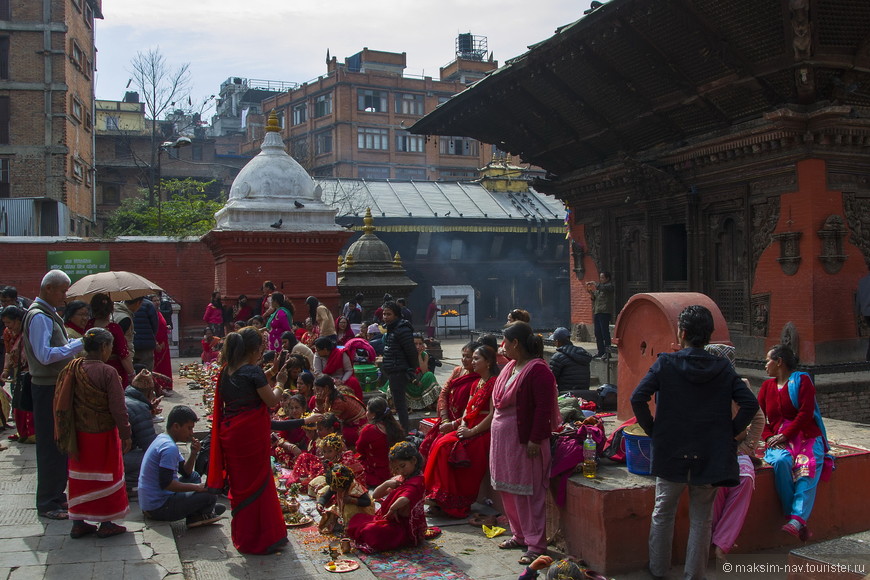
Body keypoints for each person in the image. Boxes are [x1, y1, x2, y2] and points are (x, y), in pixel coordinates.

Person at [630, 305, 759, 580]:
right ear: (708, 336)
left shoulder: (665, 363)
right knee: (702, 518)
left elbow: (637, 398)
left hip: (671, 452)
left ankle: (658, 570)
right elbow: (750, 403)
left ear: (683, 332)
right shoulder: (722, 368)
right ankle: (694, 575)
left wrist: (655, 431)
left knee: (663, 512)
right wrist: (729, 433)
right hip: (709, 454)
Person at [207, 327, 288, 554]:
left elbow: (248, 388)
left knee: (242, 486)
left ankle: (245, 536)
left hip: (232, 435)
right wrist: (280, 382)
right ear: (254, 349)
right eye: (261, 348)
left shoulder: (227, 370)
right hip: (251, 436)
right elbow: (271, 400)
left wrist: (270, 372)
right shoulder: (253, 372)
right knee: (260, 484)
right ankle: (264, 537)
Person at [490, 321, 559, 566]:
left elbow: (543, 409)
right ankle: (518, 535)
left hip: (524, 442)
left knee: (528, 493)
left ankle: (535, 544)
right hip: (504, 443)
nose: (502, 346)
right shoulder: (509, 367)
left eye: (505, 341)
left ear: (516, 343)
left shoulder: (538, 370)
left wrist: (535, 439)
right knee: (508, 490)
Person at [54, 327, 131, 539]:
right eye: (110, 347)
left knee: (80, 475)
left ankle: (78, 522)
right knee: (105, 475)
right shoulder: (107, 372)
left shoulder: (73, 367)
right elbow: (118, 407)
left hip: (78, 434)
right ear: (104, 347)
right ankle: (106, 522)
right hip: (103, 433)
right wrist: (126, 432)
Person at [22, 270, 84, 519]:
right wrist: (76, 344)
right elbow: (44, 355)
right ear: (48, 289)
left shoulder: (49, 315)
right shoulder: (39, 317)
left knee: (60, 442)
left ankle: (57, 496)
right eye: (62, 290)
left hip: (54, 385)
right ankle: (48, 501)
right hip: (47, 387)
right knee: (50, 444)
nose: (64, 296)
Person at [758, 344, 832, 541]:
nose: (765, 365)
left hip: (805, 434)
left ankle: (796, 520)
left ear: (779, 362)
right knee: (781, 462)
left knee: (807, 467)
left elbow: (806, 414)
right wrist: (769, 438)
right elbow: (760, 419)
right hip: (778, 439)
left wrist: (785, 435)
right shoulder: (766, 388)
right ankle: (797, 519)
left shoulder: (802, 381)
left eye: (768, 360)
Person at [706, 343, 765, 561]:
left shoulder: (741, 386)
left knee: (745, 477)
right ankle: (717, 536)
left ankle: (723, 540)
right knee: (717, 484)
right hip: (709, 450)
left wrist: (747, 446)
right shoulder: (700, 386)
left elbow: (758, 418)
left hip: (736, 449)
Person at [425, 344, 498, 518]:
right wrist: (463, 424)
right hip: (469, 425)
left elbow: (492, 415)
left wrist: (471, 432)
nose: (472, 362)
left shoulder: (494, 383)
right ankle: (439, 498)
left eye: (475, 358)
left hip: (482, 430)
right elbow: (468, 408)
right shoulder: (477, 382)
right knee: (439, 443)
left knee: (446, 447)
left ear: (487, 362)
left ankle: (455, 502)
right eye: (471, 358)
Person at [139, 405, 225, 527]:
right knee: (210, 494)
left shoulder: (164, 439)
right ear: (176, 426)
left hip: (155, 502)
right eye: (189, 428)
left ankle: (201, 510)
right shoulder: (169, 448)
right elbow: (167, 484)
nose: (191, 433)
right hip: (158, 507)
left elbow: (186, 473)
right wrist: (196, 488)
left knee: (194, 476)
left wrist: (194, 453)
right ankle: (201, 514)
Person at [347, 441, 427, 554]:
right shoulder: (401, 477)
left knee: (370, 531)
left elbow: (405, 498)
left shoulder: (418, 480)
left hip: (404, 527)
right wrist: (387, 484)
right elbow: (375, 495)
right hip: (389, 520)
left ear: (414, 461)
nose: (400, 471)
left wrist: (392, 509)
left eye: (403, 466)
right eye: (397, 468)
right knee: (357, 519)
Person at [419, 341, 480, 458]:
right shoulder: (458, 371)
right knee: (425, 446)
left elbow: (474, 410)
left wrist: (453, 424)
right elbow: (443, 393)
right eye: (463, 356)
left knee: (441, 448)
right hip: (446, 419)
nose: (464, 360)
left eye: (469, 357)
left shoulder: (480, 379)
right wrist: (445, 418)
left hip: (464, 424)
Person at [380, 301, 418, 432]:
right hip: (392, 369)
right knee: (398, 403)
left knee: (400, 404)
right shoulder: (392, 328)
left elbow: (411, 351)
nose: (385, 317)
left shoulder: (402, 329)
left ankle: (404, 430)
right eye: (384, 314)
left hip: (399, 370)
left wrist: (412, 368)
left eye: (388, 314)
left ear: (396, 315)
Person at [1, 306, 35, 443]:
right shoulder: (8, 333)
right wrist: (5, 370)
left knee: (29, 402)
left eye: (10, 322)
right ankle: (22, 431)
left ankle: (32, 432)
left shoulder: (29, 331)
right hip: (18, 371)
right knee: (19, 401)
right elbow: (9, 352)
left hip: (31, 371)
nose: (8, 326)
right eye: (5, 323)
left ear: (19, 320)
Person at [356, 396, 405, 488]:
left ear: (373, 414)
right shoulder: (396, 427)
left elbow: (359, 449)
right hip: (393, 471)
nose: (366, 414)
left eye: (367, 411)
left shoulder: (369, 430)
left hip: (375, 473)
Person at [87, 293, 134, 385]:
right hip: (115, 369)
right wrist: (132, 374)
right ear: (111, 309)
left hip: (91, 369)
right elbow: (123, 355)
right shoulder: (114, 328)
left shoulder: (89, 325)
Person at [123, 369, 159, 489]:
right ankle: (124, 482)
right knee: (159, 458)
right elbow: (150, 445)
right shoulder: (139, 407)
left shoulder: (125, 398)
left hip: (109, 454)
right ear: (150, 393)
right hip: (121, 457)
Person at [316, 463, 374, 534]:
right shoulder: (336, 486)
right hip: (342, 510)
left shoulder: (355, 488)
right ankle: (343, 524)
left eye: (335, 488)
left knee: (349, 508)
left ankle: (349, 526)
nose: (332, 489)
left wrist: (352, 500)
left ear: (344, 485)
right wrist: (320, 504)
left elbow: (367, 502)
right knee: (329, 517)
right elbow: (325, 496)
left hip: (359, 511)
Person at [312, 375, 366, 447]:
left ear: (326, 388)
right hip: (347, 423)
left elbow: (328, 421)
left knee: (332, 433)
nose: (316, 393)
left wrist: (319, 406)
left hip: (358, 425)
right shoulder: (330, 395)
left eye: (318, 389)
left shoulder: (338, 401)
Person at [547, 327, 592, 392]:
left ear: (557, 341)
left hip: (565, 395)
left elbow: (551, 379)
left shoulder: (558, 357)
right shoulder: (582, 354)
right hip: (584, 394)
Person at [585, 272, 614, 360]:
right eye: (600, 277)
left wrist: (594, 283)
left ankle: (607, 352)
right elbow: (594, 298)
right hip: (597, 312)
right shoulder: (599, 289)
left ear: (607, 278)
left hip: (604, 312)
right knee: (598, 333)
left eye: (602, 278)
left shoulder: (609, 287)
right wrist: (590, 293)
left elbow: (603, 288)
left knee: (605, 332)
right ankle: (600, 351)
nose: (601, 279)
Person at [150, 295, 173, 395]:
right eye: (154, 301)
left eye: (158, 300)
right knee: (156, 367)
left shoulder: (159, 313)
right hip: (157, 345)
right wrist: (156, 343)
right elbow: (151, 330)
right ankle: (159, 386)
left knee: (165, 366)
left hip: (164, 344)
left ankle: (166, 384)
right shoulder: (151, 315)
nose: (157, 302)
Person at [132, 295, 159, 371]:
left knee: (132, 370)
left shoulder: (125, 304)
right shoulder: (149, 305)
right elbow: (155, 324)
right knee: (147, 370)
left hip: (132, 343)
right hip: (147, 344)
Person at [857, 272, 870, 361]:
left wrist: (859, 312)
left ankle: (868, 358)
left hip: (866, 313)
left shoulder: (862, 281)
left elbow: (858, 298)